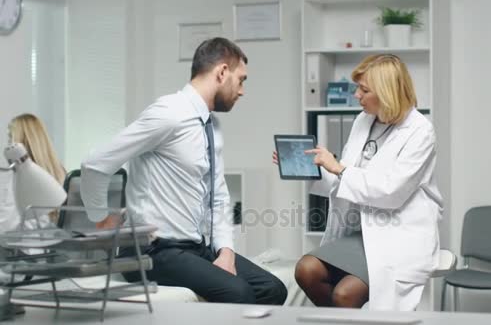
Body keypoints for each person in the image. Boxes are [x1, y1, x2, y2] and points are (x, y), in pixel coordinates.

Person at [80, 37, 287, 305]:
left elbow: (219, 197)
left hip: (194, 248)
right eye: (241, 79)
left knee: (272, 288)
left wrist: (226, 251)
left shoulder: (211, 126)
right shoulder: (168, 113)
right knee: (239, 292)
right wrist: (100, 217)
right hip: (150, 251)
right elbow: (95, 164)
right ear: (222, 72)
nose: (242, 90)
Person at [283, 54, 443, 311]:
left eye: (364, 89)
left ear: (386, 92)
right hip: (363, 232)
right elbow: (344, 179)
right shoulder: (363, 120)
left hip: (399, 236)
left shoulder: (420, 131)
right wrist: (311, 169)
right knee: (306, 270)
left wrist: (340, 168)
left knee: (345, 294)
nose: (356, 95)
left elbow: (392, 192)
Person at [0, 113, 66, 232]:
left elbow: (7, 227)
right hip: (55, 247)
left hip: (24, 247)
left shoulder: (20, 177)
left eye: (10, 138)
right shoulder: (59, 172)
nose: (7, 144)